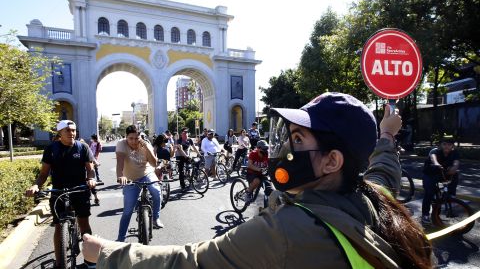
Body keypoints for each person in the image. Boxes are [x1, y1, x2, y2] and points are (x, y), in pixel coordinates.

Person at [83, 93, 432, 268]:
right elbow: (384, 171)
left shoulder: (287, 230)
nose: (283, 148)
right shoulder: (375, 199)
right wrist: (385, 136)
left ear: (332, 161)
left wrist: (109, 253)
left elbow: (190, 262)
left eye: (297, 140)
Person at [26, 120, 98, 269]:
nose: (71, 133)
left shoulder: (82, 147)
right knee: (59, 226)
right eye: (68, 130)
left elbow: (90, 169)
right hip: (58, 191)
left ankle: (90, 261)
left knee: (84, 224)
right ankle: (60, 264)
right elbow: (43, 174)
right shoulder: (51, 149)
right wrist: (35, 185)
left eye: (73, 130)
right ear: (60, 133)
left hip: (79, 189)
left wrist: (91, 178)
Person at [116, 125, 163, 242]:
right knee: (127, 210)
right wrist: (120, 176)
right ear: (126, 137)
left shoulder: (145, 144)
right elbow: (120, 161)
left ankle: (155, 218)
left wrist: (146, 148)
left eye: (136, 138)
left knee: (156, 191)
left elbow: (154, 164)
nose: (134, 141)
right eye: (130, 138)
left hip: (146, 173)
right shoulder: (121, 144)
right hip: (130, 178)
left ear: (140, 137)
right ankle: (120, 239)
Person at [421, 135, 460, 224]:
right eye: (444, 144)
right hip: (429, 174)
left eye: (449, 144)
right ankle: (425, 214)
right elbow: (433, 158)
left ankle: (451, 195)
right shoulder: (435, 151)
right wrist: (436, 164)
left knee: (456, 174)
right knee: (429, 193)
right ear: (441, 145)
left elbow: (456, 163)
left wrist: (454, 168)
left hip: (442, 173)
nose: (446, 146)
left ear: (452, 146)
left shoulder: (454, 153)